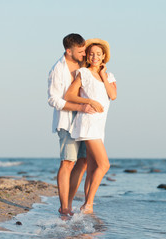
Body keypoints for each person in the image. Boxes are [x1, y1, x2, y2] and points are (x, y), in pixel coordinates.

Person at [64, 38, 117, 213]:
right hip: (88, 124)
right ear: (87, 55)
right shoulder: (83, 73)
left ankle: (85, 206)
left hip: (100, 127)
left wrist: (103, 75)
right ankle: (88, 205)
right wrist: (90, 101)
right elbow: (70, 95)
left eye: (98, 54)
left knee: (92, 167)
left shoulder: (109, 77)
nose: (95, 56)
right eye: (92, 53)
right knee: (104, 165)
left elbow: (113, 95)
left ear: (104, 57)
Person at [48, 33, 97, 216]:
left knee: (83, 161)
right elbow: (53, 100)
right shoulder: (57, 70)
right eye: (81, 51)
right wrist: (80, 107)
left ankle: (68, 202)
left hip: (84, 122)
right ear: (69, 51)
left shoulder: (83, 65)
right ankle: (64, 208)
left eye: (85, 50)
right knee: (67, 162)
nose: (84, 54)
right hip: (67, 122)